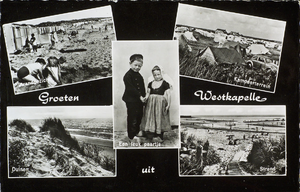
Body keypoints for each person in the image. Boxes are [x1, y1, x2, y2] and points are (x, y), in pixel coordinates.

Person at [140, 65, 171, 142]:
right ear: (153, 75)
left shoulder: (165, 83)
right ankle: (151, 134)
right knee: (150, 117)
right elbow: (148, 93)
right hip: (151, 103)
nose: (157, 76)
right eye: (155, 75)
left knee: (159, 117)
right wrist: (145, 98)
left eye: (158, 74)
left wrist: (169, 104)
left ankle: (160, 135)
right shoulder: (150, 83)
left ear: (161, 74)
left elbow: (168, 94)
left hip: (160, 103)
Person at [122, 54, 146, 140]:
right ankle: (131, 135)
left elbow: (142, 87)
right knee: (132, 117)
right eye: (135, 65)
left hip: (139, 100)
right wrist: (139, 96)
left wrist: (144, 96)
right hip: (131, 100)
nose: (137, 67)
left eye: (139, 66)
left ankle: (137, 131)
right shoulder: (127, 76)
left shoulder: (139, 75)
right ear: (130, 63)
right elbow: (130, 88)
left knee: (139, 115)